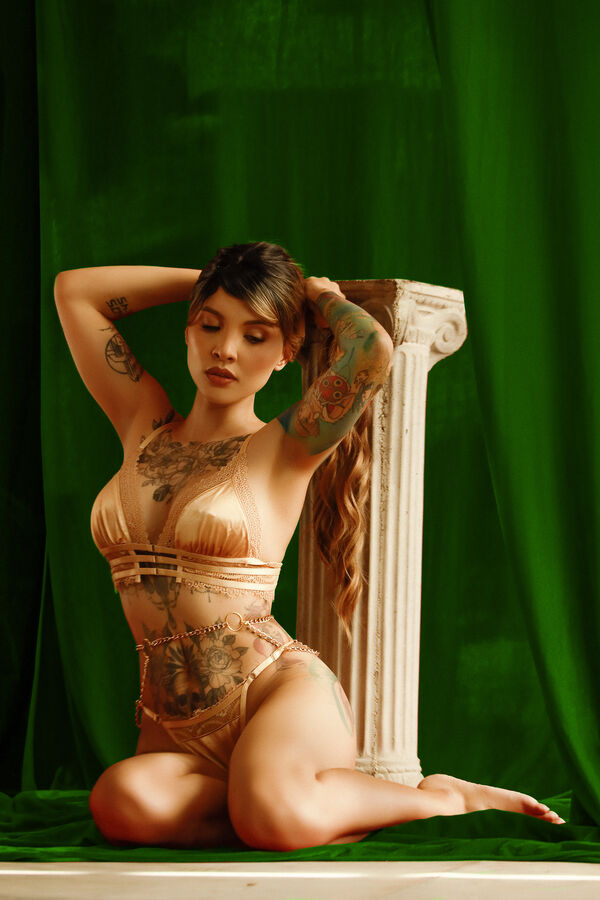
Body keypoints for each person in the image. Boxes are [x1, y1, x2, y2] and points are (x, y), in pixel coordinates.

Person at [54, 241, 565, 851]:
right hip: (173, 720)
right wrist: (222, 277)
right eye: (211, 325)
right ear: (188, 332)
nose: (226, 349)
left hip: (273, 692)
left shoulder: (285, 445)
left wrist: (314, 296)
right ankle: (261, 798)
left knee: (272, 813)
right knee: (121, 803)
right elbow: (75, 292)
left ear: (285, 353)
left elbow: (371, 351)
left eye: (256, 335)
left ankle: (443, 798)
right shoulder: (142, 423)